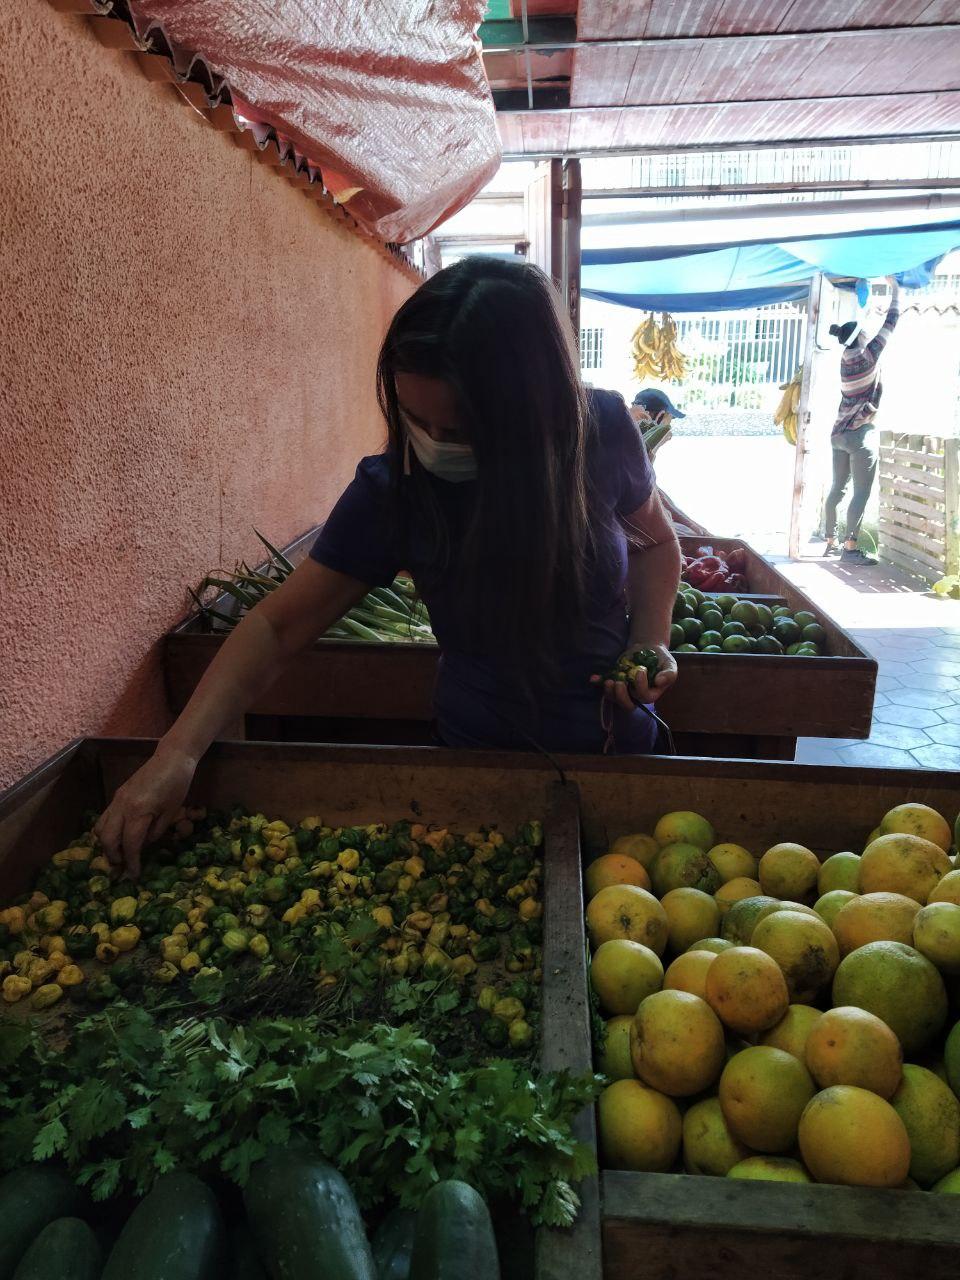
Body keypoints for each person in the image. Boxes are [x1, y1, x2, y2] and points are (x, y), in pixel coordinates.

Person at [95, 257, 682, 873]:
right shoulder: (393, 491)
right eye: (414, 419)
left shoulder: (602, 432)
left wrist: (649, 645)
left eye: (456, 429)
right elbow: (276, 627)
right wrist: (177, 753)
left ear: (530, 418)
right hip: (474, 764)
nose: (431, 443)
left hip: (620, 752)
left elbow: (655, 545)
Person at [823, 277, 900, 565]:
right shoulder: (869, 356)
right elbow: (892, 321)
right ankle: (850, 548)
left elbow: (865, 329)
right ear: (862, 338)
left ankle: (829, 541)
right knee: (861, 492)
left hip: (838, 433)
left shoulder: (846, 358)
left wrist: (868, 309)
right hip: (858, 434)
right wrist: (895, 289)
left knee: (837, 489)